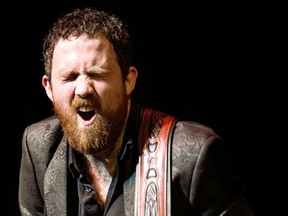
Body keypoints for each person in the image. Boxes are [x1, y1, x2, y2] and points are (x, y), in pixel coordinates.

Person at [18, 7, 254, 216]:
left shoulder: (193, 154)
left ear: (128, 81)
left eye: (97, 74)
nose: (83, 89)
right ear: (49, 88)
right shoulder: (38, 147)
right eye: (70, 77)